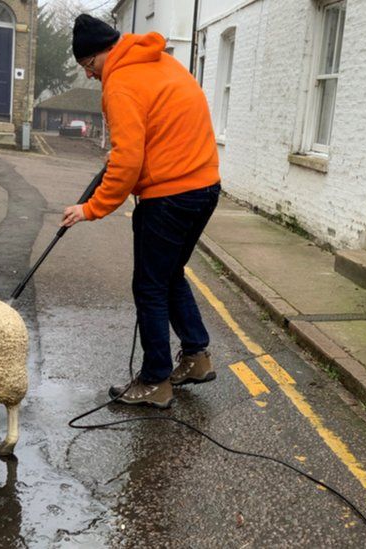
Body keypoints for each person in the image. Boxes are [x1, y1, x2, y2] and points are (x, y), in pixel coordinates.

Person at [62, 14, 221, 409]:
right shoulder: (161, 62)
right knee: (169, 275)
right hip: (206, 188)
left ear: (100, 56)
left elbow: (128, 160)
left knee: (149, 286)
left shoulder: (122, 83)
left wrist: (91, 208)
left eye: (89, 66)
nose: (90, 76)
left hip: (169, 197)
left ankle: (155, 381)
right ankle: (196, 357)